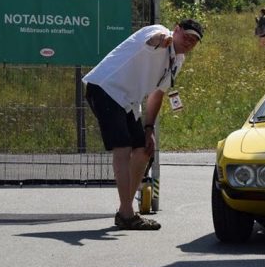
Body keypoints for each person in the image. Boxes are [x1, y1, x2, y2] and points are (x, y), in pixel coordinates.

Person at [83, 19, 203, 230]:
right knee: (123, 148)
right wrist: (161, 40)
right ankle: (128, 214)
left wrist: (149, 129)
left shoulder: (178, 60)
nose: (188, 42)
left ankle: (125, 211)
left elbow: (157, 95)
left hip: (128, 101)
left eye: (194, 41)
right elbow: (152, 41)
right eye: (186, 36)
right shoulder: (158, 32)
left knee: (143, 150)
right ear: (176, 30)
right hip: (105, 88)